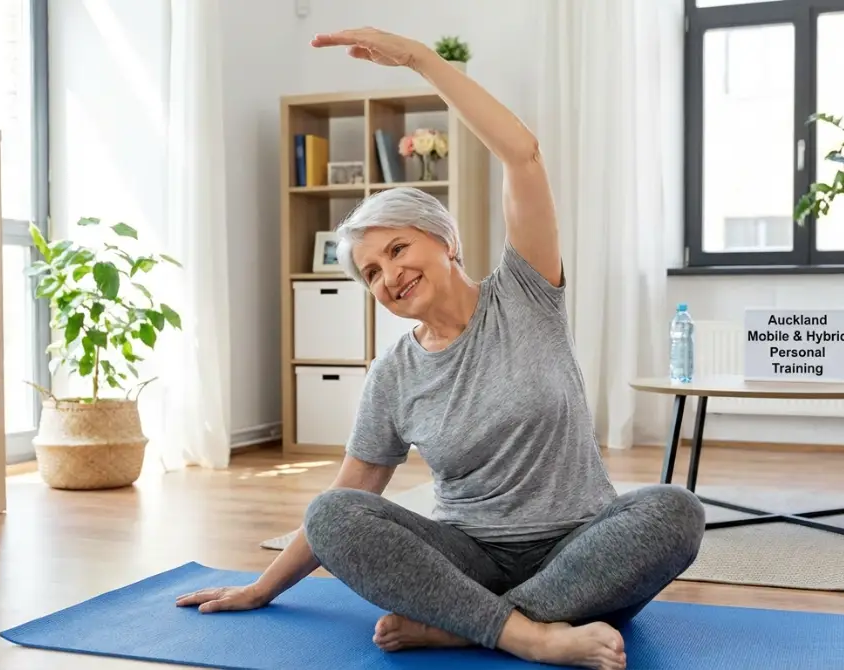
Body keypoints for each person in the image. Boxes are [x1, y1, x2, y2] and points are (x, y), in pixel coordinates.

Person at [176, 27, 705, 670]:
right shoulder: (394, 373)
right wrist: (260, 589)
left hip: (580, 546)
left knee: (674, 511)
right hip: (469, 558)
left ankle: (469, 627)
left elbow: (523, 156)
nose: (389, 275)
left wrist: (422, 62)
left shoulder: (526, 293)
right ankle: (528, 632)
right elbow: (351, 495)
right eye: (371, 272)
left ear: (444, 241)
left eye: (397, 249)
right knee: (332, 513)